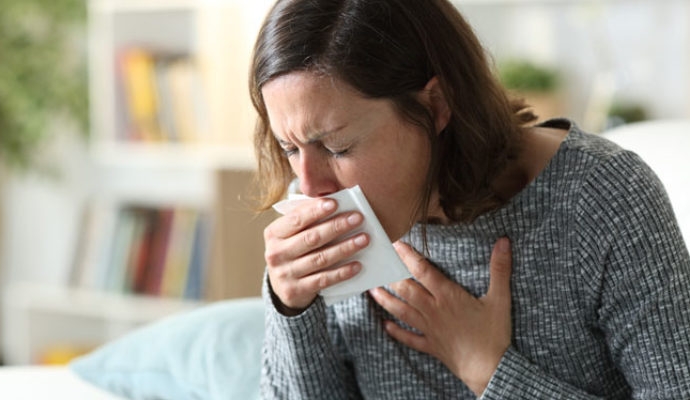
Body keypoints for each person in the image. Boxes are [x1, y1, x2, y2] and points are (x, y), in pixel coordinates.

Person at [248, 0, 690, 398]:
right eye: (290, 148)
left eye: (337, 147)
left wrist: (489, 371)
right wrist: (292, 308)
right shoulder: (321, 215)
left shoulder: (601, 197)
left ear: (436, 105)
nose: (309, 187)